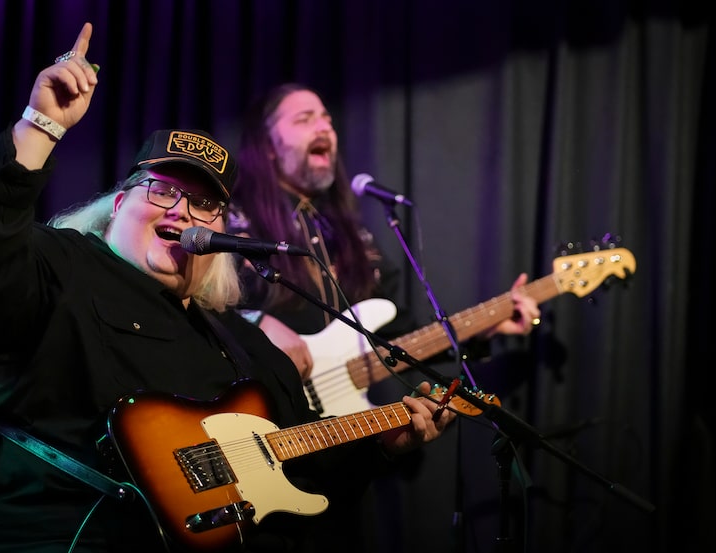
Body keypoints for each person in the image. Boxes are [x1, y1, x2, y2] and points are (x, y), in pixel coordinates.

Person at [0, 23, 456, 553]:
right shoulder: (57, 265)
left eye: (205, 204)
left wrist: (382, 445)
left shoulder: (242, 346)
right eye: (163, 190)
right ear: (118, 205)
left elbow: (300, 467)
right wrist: (39, 128)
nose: (182, 210)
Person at [226, 83, 541, 551]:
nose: (325, 126)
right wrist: (256, 323)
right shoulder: (235, 219)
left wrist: (488, 327)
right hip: (261, 438)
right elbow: (198, 297)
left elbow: (399, 336)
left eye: (327, 118)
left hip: (343, 451)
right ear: (267, 147)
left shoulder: (354, 236)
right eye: (305, 118)